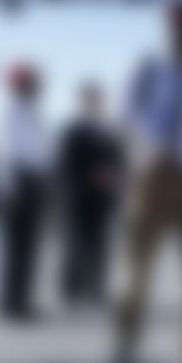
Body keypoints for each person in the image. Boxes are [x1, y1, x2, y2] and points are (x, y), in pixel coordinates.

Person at [114, 1, 182, 363]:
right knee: (136, 268)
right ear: (173, 30)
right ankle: (124, 346)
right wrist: (154, 155)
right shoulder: (147, 67)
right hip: (152, 177)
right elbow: (126, 114)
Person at [57, 82, 123, 307]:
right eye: (91, 100)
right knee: (76, 241)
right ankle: (72, 288)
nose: (95, 104)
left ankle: (96, 286)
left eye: (98, 100)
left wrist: (110, 178)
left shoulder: (106, 131)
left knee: (99, 242)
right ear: (83, 103)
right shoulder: (73, 131)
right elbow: (66, 165)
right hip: (78, 196)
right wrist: (91, 176)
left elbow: (117, 161)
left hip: (101, 197)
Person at [0, 63, 51, 323]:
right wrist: (13, 186)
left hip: (34, 182)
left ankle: (23, 301)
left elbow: (42, 151)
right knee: (15, 249)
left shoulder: (33, 111)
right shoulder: (11, 112)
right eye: (31, 83)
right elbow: (6, 152)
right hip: (18, 183)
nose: (36, 87)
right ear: (21, 86)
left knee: (29, 248)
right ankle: (10, 303)